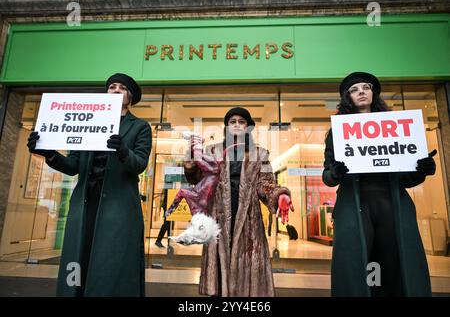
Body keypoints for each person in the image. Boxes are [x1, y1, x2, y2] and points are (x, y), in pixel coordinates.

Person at [27, 73, 152, 297]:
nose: (115, 90)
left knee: (112, 260)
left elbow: (140, 164)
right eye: (111, 86)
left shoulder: (140, 127)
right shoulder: (89, 120)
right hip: (84, 204)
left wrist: (124, 151)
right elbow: (73, 165)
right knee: (78, 255)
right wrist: (49, 153)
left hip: (119, 207)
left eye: (122, 88)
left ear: (130, 97)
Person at [322, 72, 436, 297]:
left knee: (393, 264)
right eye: (354, 90)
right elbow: (327, 176)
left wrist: (420, 170)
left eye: (366, 87)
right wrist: (335, 173)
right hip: (355, 207)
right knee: (360, 266)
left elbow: (406, 177)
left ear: (374, 93)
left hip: (391, 205)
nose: (361, 92)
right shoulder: (337, 132)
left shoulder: (395, 126)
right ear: (348, 97)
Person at [183, 107, 294, 297]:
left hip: (248, 217)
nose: (236, 125)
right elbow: (196, 178)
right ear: (226, 126)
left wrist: (279, 194)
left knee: (247, 268)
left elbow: (265, 183)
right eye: (232, 121)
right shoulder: (212, 151)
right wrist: (192, 158)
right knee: (219, 265)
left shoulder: (260, 154)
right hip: (218, 214)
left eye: (241, 122)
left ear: (248, 128)